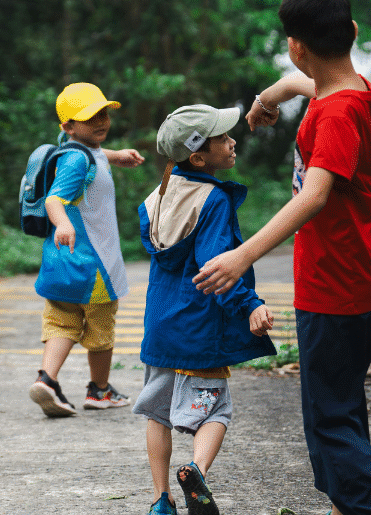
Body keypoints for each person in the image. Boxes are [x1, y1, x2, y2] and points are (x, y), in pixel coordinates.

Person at [193, 0, 371, 515]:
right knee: (342, 402)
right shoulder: (358, 92)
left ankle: (368, 507)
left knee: (328, 417)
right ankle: (347, 504)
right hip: (368, 270)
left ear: (296, 45)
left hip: (337, 282)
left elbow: (315, 196)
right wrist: (266, 100)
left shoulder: (333, 114)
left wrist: (243, 254)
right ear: (351, 32)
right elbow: (299, 85)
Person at [135, 104, 277, 515]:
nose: (233, 142)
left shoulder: (155, 198)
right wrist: (249, 305)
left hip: (161, 328)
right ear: (198, 156)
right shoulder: (212, 198)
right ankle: (195, 470)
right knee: (217, 409)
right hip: (199, 329)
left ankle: (161, 501)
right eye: (223, 138)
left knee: (158, 413)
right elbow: (216, 263)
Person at [28, 82, 145, 417]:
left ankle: (47, 379)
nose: (101, 120)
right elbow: (54, 198)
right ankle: (100, 390)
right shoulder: (77, 162)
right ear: (67, 126)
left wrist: (115, 155)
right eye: (90, 116)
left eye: (103, 112)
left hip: (60, 262)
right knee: (100, 328)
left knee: (62, 322)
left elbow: (88, 155)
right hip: (93, 264)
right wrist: (63, 222)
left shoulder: (74, 151)